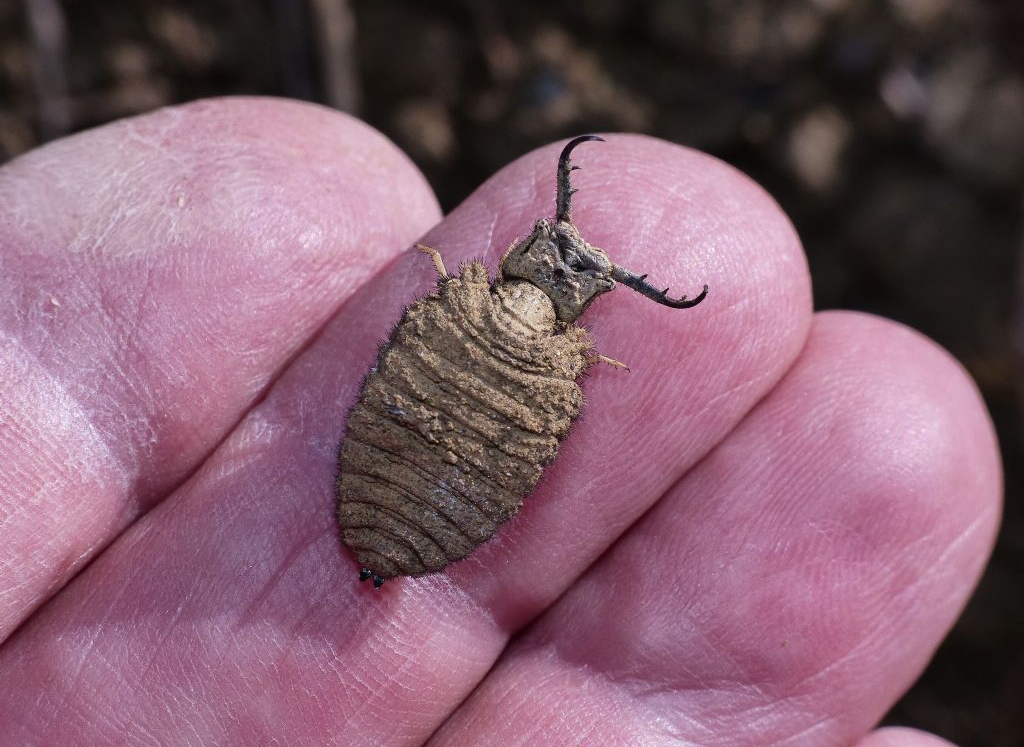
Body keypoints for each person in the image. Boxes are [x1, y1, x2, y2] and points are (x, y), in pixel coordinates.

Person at [0, 98, 1001, 746]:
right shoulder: (558, 359)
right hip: (412, 486)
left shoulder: (478, 312)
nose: (563, 273)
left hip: (424, 486)